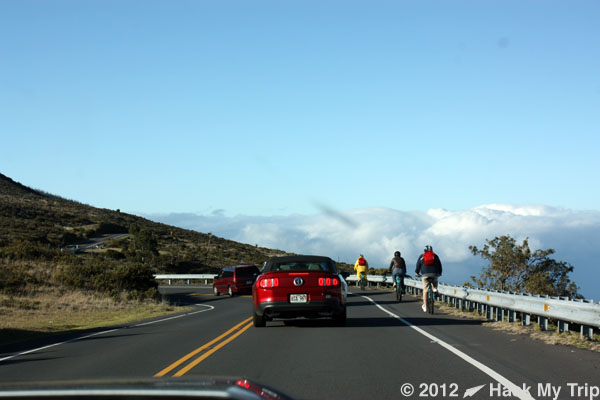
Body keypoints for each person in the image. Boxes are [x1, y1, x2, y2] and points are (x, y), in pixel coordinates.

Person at [415, 245, 442, 312]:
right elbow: (440, 265)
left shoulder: (422, 256)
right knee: (435, 282)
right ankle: (435, 288)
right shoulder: (435, 256)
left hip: (425, 274)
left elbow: (418, 265)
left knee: (425, 290)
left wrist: (417, 273)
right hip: (434, 273)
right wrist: (439, 273)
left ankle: (425, 305)